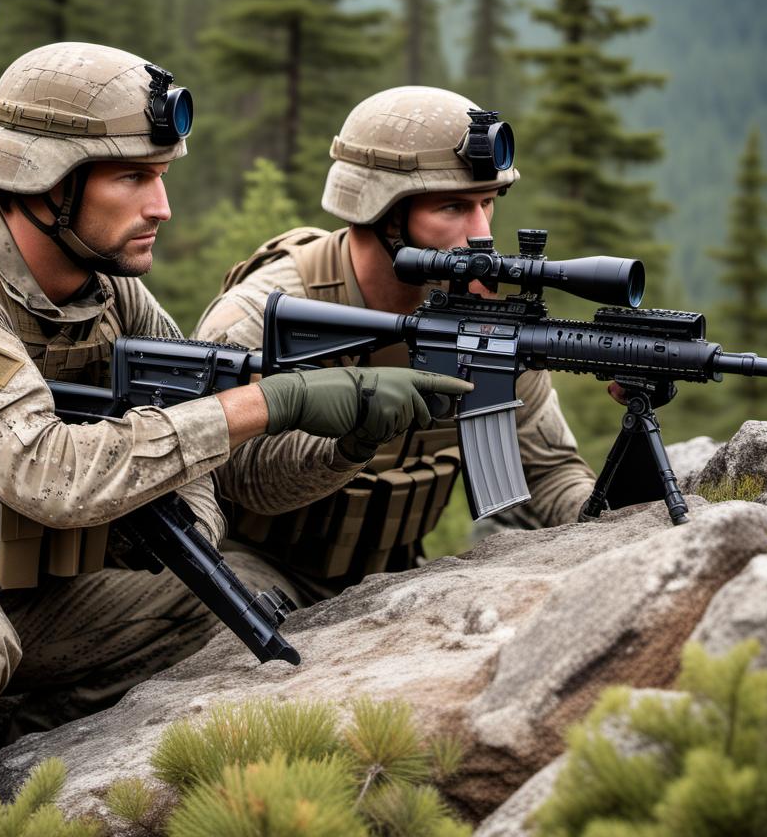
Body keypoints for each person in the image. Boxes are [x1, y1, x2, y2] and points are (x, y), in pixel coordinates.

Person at [0, 45, 467, 799]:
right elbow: (46, 474)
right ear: (47, 182)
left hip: (25, 585)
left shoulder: (107, 293)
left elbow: (209, 463)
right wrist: (271, 401)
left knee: (229, 601)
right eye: (132, 178)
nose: (161, 207)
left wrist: (347, 440)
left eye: (162, 177)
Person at [194, 85, 597, 600]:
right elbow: (237, 480)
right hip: (257, 570)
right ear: (383, 213)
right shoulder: (265, 314)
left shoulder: (485, 316)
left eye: (487, 204)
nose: (481, 236)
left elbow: (549, 473)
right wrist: (351, 436)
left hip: (397, 577)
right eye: (452, 208)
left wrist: (616, 523)